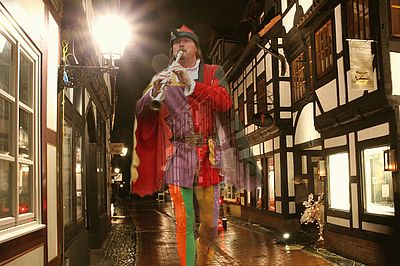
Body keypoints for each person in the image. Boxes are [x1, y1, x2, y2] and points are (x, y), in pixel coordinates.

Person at [130, 25, 232, 265]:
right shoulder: (165, 75)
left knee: (209, 224)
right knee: (184, 220)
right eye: (177, 43)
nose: (181, 46)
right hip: (179, 155)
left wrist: (192, 85)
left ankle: (201, 258)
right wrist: (153, 93)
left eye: (186, 41)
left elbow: (224, 101)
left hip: (208, 156)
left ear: (197, 48)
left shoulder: (214, 71)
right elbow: (141, 111)